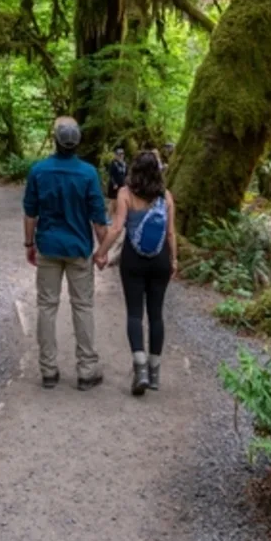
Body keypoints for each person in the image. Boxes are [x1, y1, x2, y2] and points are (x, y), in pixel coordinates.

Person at [23, 116, 109, 390]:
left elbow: (30, 212)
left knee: (47, 307)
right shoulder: (88, 173)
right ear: (77, 142)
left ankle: (48, 370)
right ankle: (86, 370)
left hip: (48, 246)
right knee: (82, 306)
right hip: (78, 248)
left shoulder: (39, 171)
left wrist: (29, 244)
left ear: (55, 140)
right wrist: (102, 250)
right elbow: (98, 216)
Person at [94, 149, 177, 397]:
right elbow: (171, 233)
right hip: (160, 259)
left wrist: (101, 252)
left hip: (133, 260)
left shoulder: (125, 194)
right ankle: (154, 373)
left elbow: (117, 228)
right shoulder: (167, 197)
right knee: (156, 315)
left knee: (134, 313)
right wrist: (174, 259)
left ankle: (139, 369)